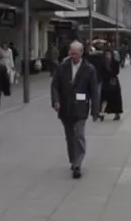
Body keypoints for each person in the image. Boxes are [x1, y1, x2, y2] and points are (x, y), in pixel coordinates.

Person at [50, 41, 100, 179]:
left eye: (75, 54)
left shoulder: (89, 69)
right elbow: (55, 85)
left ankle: (78, 163)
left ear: (81, 53)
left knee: (79, 135)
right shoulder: (62, 67)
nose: (73, 56)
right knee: (70, 137)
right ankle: (73, 159)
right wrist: (56, 101)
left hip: (81, 107)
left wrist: (95, 110)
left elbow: (94, 91)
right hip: (65, 107)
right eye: (71, 53)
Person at [98, 50, 123, 121]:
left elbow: (117, 72)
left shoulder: (115, 62)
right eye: (106, 54)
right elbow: (101, 72)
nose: (108, 56)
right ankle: (102, 113)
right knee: (104, 98)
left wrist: (110, 72)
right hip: (106, 82)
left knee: (115, 98)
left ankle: (117, 113)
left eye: (109, 54)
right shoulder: (102, 63)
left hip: (113, 82)